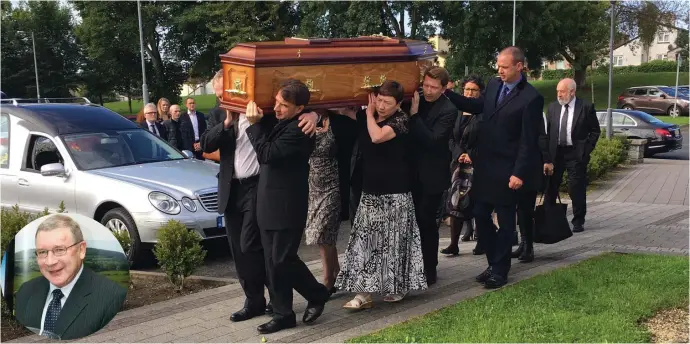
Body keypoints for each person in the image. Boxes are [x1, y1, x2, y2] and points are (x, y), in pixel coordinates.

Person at [200, 71, 318, 327]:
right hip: (232, 188)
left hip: (260, 187)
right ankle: (254, 300)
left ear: (237, 90)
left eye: (225, 94)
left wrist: (314, 114)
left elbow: (297, 105)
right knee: (242, 251)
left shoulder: (264, 110)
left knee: (265, 251)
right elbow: (206, 144)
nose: (221, 100)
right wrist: (227, 123)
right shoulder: (220, 113)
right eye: (218, 96)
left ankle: (281, 306)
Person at [443, 46, 544, 289]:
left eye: (505, 67)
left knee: (507, 223)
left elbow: (528, 140)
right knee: (479, 214)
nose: (499, 70)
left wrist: (519, 173)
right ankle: (493, 262)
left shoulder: (531, 98)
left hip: (510, 172)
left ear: (519, 66)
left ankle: (500, 270)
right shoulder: (494, 85)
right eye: (498, 66)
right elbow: (477, 107)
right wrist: (448, 94)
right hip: (487, 167)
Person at [244, 79, 328, 334]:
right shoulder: (283, 120)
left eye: (283, 105)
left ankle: (302, 302)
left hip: (286, 205)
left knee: (281, 260)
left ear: (299, 108)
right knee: (275, 261)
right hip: (268, 202)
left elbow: (267, 154)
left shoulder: (300, 130)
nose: (277, 108)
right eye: (277, 103)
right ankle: (291, 309)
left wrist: (254, 127)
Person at [334, 81, 427, 309]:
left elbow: (377, 137)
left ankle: (396, 286)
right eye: (380, 100)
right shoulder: (369, 116)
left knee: (394, 242)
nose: (382, 106)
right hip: (370, 191)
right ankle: (363, 294)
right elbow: (341, 110)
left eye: (387, 102)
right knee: (365, 242)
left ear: (398, 104)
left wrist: (369, 114)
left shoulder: (401, 120)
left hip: (396, 192)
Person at [14, 214, 127, 340]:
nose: (50, 261)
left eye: (59, 250)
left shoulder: (112, 298)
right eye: (42, 252)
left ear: (81, 250)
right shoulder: (25, 291)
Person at [408, 66, 458, 285]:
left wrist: (415, 115)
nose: (428, 91)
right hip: (410, 172)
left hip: (432, 175)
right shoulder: (416, 97)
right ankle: (413, 264)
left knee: (426, 221)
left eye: (433, 87)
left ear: (444, 88)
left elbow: (433, 140)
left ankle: (430, 268)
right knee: (412, 221)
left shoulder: (448, 109)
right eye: (425, 85)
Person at [304, 110, 357, 294]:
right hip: (312, 186)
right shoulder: (304, 120)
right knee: (324, 234)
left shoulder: (339, 122)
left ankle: (327, 279)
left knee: (323, 229)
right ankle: (336, 272)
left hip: (334, 184)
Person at [543, 78, 600, 233]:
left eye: (562, 91)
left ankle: (578, 220)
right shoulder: (553, 108)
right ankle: (548, 218)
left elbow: (595, 131)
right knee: (551, 186)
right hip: (556, 153)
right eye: (557, 91)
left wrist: (586, 150)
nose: (559, 95)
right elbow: (547, 133)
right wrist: (546, 157)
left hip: (576, 154)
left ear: (572, 92)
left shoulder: (586, 107)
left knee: (576, 187)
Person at [442, 75, 485, 256]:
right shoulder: (457, 111)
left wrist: (471, 155)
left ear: (480, 92)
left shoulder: (483, 112)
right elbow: (451, 137)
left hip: (478, 165)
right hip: (458, 165)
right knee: (455, 204)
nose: (469, 93)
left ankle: (482, 241)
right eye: (467, 89)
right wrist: (459, 154)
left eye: (473, 90)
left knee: (478, 203)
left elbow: (487, 139)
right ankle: (454, 243)